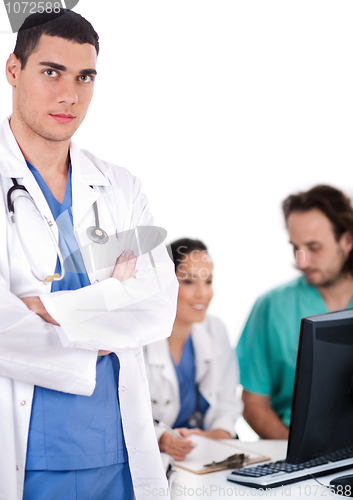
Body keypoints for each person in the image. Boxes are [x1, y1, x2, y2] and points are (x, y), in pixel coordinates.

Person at [0, 9, 178, 500]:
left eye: (85, 77)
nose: (69, 95)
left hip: (119, 451)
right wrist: (112, 297)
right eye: (50, 72)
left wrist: (51, 310)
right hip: (27, 459)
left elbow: (158, 303)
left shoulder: (121, 185)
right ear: (13, 70)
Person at [236, 185, 353, 439]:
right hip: (296, 454)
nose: (301, 261)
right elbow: (254, 403)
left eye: (314, 247)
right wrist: (298, 456)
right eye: (296, 247)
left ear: (347, 240)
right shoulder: (271, 307)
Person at [144, 238, 243, 461]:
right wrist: (161, 438)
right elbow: (123, 414)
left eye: (208, 281)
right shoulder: (139, 339)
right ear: (163, 283)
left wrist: (219, 432)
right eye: (189, 282)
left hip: (204, 456)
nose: (203, 294)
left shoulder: (215, 329)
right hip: (156, 460)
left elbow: (228, 401)